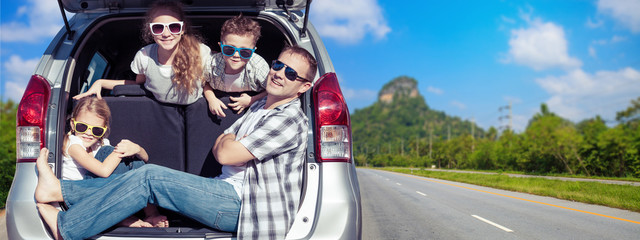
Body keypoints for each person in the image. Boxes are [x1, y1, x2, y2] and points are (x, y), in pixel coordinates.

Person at [35, 45, 317, 240]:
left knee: (149, 177)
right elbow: (223, 142)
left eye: (291, 73)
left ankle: (67, 228)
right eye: (279, 65)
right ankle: (59, 190)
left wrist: (229, 142)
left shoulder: (289, 118)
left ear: (304, 87)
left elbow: (225, 153)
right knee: (138, 172)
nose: (280, 73)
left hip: (247, 206)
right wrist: (228, 142)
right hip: (225, 190)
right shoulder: (259, 108)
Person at [73, 0, 210, 105]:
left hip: (197, 109)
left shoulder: (200, 51)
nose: (166, 34)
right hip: (159, 111)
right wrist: (100, 82)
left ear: (182, 28)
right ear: (150, 31)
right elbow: (138, 86)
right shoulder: (144, 56)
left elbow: (217, 78)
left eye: (173, 27)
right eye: (158, 28)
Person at [61, 96, 167, 228]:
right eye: (82, 127)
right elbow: (104, 171)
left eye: (96, 130)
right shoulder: (73, 145)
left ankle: (151, 213)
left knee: (134, 161)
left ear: (104, 130)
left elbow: (145, 159)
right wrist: (120, 151)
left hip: (97, 194)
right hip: (78, 199)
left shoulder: (100, 144)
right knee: (109, 152)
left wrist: (136, 148)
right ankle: (122, 218)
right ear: (72, 124)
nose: (88, 133)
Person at [203, 14, 269, 117]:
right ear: (221, 47)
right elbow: (204, 83)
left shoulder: (258, 66)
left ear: (253, 51)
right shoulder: (212, 63)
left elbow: (271, 91)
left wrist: (251, 100)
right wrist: (211, 99)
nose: (236, 55)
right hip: (219, 97)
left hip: (251, 103)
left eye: (245, 52)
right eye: (229, 49)